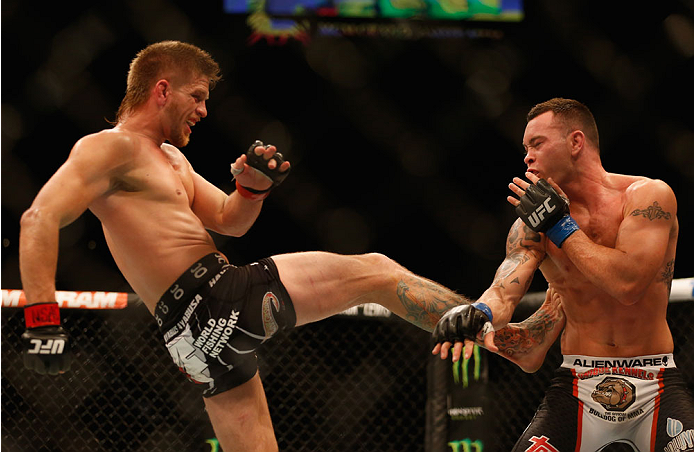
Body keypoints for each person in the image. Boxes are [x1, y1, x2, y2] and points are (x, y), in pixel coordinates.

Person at [18, 41, 564, 452]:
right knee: (374, 270)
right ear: (162, 88)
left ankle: (501, 338)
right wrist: (41, 318)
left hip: (192, 339)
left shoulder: (173, 161)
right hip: (216, 297)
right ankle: (503, 339)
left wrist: (251, 188)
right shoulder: (109, 148)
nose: (204, 111)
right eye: (197, 96)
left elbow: (231, 221)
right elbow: (38, 217)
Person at [432, 98, 694, 452]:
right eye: (525, 148)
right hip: (577, 384)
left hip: (656, 382)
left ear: (575, 142)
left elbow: (627, 284)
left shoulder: (648, 196)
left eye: (537, 144)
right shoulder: (531, 226)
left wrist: (561, 226)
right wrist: (480, 311)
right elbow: (505, 289)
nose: (527, 157)